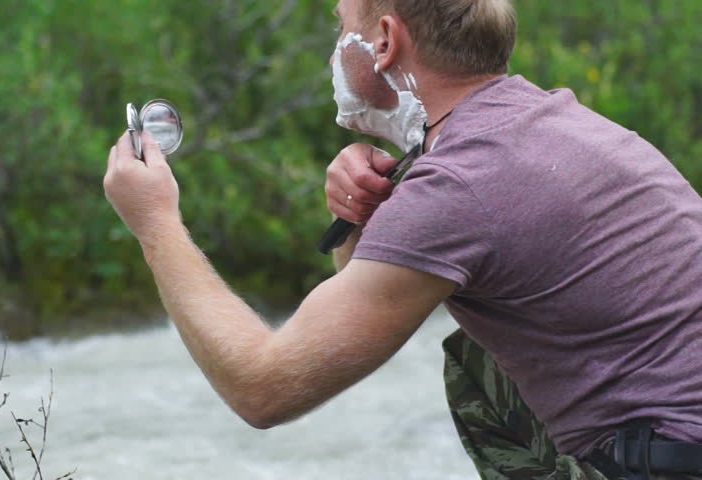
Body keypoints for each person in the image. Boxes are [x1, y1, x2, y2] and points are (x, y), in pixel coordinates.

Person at [103, 0, 702, 478]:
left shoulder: (461, 184)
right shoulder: (545, 121)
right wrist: (366, 217)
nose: (336, 50)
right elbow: (354, 313)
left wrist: (155, 221)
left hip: (672, 460)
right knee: (475, 362)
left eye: (342, 27)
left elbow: (264, 389)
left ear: (384, 43)